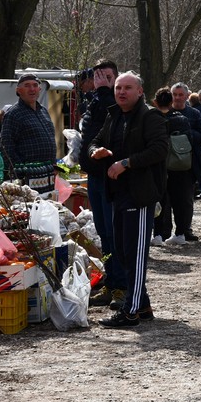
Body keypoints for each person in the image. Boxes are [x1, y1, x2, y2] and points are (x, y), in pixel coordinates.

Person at [87, 71, 169, 328]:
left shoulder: (150, 116)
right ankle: (142, 305)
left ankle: (130, 310)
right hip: (117, 193)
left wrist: (126, 163)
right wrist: (95, 151)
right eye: (118, 88)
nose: (121, 92)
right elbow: (95, 141)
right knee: (122, 252)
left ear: (140, 92)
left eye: (127, 88)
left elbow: (159, 149)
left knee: (135, 254)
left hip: (140, 195)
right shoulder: (114, 116)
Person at [80, 61, 128, 307]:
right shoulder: (94, 101)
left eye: (108, 77)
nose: (103, 81)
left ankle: (122, 288)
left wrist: (104, 91)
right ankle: (111, 283)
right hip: (95, 177)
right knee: (103, 235)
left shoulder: (117, 102)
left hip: (112, 178)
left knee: (115, 234)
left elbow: (111, 117)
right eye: (99, 77)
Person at [0, 73, 57, 192]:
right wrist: (21, 174)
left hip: (48, 176)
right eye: (27, 85)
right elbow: (6, 148)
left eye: (35, 85)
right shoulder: (13, 114)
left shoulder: (44, 111)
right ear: (18, 90)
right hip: (27, 180)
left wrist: (55, 167)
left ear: (39, 89)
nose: (32, 89)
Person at [152, 87, 194, 246]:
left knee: (159, 200)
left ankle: (158, 234)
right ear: (171, 102)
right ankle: (180, 233)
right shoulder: (181, 119)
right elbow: (190, 140)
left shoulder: (151, 118)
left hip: (158, 165)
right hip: (179, 165)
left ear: (155, 102)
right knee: (180, 200)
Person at [171, 82, 201, 213]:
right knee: (166, 200)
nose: (177, 97)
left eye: (181, 95)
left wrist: (185, 135)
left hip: (188, 164)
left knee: (186, 200)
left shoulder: (194, 113)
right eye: (174, 94)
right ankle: (163, 232)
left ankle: (184, 230)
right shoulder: (165, 112)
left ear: (187, 96)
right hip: (167, 164)